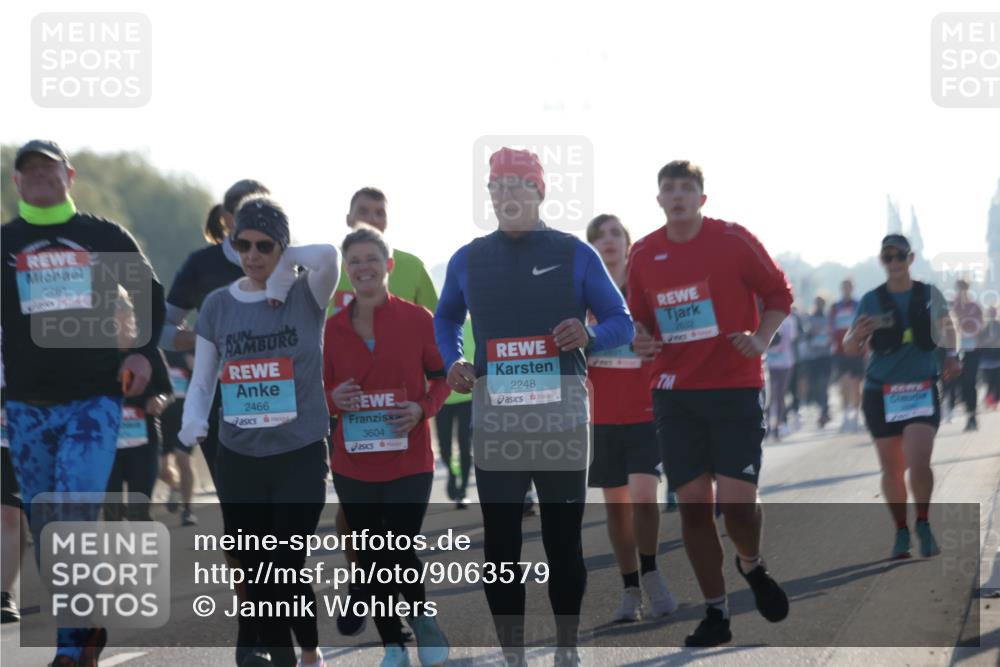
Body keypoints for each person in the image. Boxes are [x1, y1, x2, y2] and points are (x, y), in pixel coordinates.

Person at [435, 147, 633, 667]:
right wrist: (453, 360)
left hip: (562, 421)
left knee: (562, 543)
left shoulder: (574, 253)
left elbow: (622, 321)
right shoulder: (468, 258)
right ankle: (514, 656)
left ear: (540, 191)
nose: (505, 195)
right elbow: (446, 317)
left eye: (517, 185)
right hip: (497, 423)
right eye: (496, 186)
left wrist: (589, 335)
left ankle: (567, 648)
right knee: (500, 548)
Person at [1, 139, 166, 666]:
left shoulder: (102, 235)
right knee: (46, 526)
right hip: (25, 408)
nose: (39, 176)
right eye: (29, 170)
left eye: (49, 168)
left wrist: (142, 352)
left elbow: (149, 294)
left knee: (71, 513)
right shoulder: (6, 243)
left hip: (92, 403)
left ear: (69, 176)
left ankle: (70, 649)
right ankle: (82, 631)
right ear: (16, 182)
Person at [627, 160, 792, 647]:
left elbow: (779, 295)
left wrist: (761, 340)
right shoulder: (644, 252)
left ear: (702, 198)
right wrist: (641, 339)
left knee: (737, 509)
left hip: (734, 388)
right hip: (675, 395)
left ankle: (751, 564)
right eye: (669, 188)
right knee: (694, 511)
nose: (678, 195)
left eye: (687, 188)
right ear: (659, 199)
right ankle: (716, 613)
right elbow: (640, 321)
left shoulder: (733, 239)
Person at [180, 195, 338, 667]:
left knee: (284, 564)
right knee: (256, 569)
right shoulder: (217, 305)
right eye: (242, 244)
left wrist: (285, 265)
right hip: (240, 457)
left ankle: (309, 649)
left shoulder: (307, 293)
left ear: (282, 247)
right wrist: (193, 420)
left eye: (265, 245)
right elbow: (203, 379)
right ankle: (291, 657)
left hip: (299, 452)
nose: (252, 254)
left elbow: (328, 255)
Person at [324, 225, 451, 667]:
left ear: (389, 265)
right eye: (354, 261)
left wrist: (422, 408)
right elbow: (314, 390)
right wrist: (332, 399)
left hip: (408, 457)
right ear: (346, 269)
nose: (364, 268)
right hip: (353, 462)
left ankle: (414, 614)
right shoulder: (331, 329)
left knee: (394, 545)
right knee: (375, 549)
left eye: (372, 259)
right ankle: (394, 645)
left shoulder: (418, 319)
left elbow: (442, 377)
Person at [160, 179, 269, 665]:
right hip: (224, 407)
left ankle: (278, 613)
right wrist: (210, 337)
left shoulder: (285, 260)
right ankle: (252, 629)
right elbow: (163, 330)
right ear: (225, 219)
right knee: (242, 521)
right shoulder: (202, 265)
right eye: (244, 213)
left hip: (283, 408)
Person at [843, 233, 959, 560]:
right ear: (882, 261)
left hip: (921, 389)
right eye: (887, 257)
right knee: (892, 470)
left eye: (899, 256)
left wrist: (952, 356)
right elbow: (849, 347)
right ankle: (901, 530)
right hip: (880, 392)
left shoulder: (929, 294)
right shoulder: (871, 300)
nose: (893, 262)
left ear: (911, 258)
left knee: (919, 462)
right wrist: (858, 334)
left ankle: (922, 521)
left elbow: (949, 328)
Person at [585, 214, 677, 623]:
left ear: (627, 242)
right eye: (598, 236)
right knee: (617, 509)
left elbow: (672, 335)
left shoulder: (644, 290)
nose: (607, 241)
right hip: (602, 415)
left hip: (645, 409)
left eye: (614, 234)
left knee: (644, 496)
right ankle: (630, 589)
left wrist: (654, 343)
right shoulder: (581, 295)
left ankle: (652, 572)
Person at [105, 288, 175, 522]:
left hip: (143, 440)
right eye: (115, 315)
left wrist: (159, 400)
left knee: (139, 512)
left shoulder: (147, 349)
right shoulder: (97, 353)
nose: (122, 321)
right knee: (112, 513)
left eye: (126, 314)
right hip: (107, 442)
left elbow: (168, 390)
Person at [437, 317, 475, 509]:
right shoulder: (439, 328)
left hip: (468, 398)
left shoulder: (472, 326)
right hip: (443, 400)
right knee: (445, 448)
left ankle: (462, 491)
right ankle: (453, 474)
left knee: (465, 445)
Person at [158, 349, 198, 525]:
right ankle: (175, 487)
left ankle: (188, 510)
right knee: (161, 469)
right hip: (160, 418)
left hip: (185, 417)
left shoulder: (190, 351)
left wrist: (194, 366)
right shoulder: (155, 351)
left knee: (183, 459)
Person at [830, 279, 864, 432]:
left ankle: (855, 416)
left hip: (857, 350)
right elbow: (831, 327)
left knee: (856, 384)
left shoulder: (858, 304)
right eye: (844, 287)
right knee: (843, 384)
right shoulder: (835, 307)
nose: (846, 289)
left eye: (848, 287)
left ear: (852, 288)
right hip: (840, 351)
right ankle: (844, 416)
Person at [952, 279, 983, 431]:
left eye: (964, 288)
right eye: (959, 288)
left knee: (970, 383)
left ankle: (972, 417)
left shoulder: (974, 306)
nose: (962, 291)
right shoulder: (952, 306)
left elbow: (980, 326)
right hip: (955, 350)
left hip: (972, 350)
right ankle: (967, 410)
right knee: (960, 384)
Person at [766, 315, 798, 440]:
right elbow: (792, 338)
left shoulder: (787, 320)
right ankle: (774, 426)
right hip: (776, 362)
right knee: (776, 396)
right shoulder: (788, 320)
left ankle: (776, 426)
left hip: (780, 362)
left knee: (775, 396)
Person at [803, 296, 833, 428]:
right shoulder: (809, 318)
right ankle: (822, 409)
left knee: (823, 384)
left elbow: (833, 334)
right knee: (815, 386)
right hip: (812, 357)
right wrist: (809, 334)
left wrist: (830, 339)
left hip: (826, 357)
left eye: (822, 303)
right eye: (818, 302)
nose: (820, 305)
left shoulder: (829, 318)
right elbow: (805, 335)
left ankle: (824, 412)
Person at [980, 306, 1000, 409]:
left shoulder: (998, 325)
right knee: (989, 382)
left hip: (997, 358)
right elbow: (979, 340)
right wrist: (987, 342)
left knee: (997, 382)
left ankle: (994, 401)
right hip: (986, 360)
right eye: (991, 312)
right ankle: (989, 400)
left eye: (994, 312)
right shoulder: (983, 326)